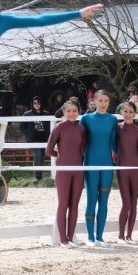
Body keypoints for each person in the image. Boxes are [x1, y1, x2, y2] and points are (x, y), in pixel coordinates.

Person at [80, 89, 118, 247]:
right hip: (91, 163)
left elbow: (115, 143)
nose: (103, 104)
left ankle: (100, 237)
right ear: (94, 101)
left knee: (104, 201)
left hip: (107, 165)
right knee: (91, 199)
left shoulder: (113, 120)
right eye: (100, 100)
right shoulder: (86, 118)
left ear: (109, 103)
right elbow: (80, 142)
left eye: (106, 101)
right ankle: (90, 237)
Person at [45, 101, 86, 248]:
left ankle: (70, 237)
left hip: (79, 170)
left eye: (75, 110)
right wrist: (61, 155)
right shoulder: (59, 127)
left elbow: (83, 149)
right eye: (68, 111)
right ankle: (63, 239)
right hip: (63, 170)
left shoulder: (81, 128)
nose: (72, 113)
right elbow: (48, 150)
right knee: (63, 204)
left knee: (74, 205)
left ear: (79, 111)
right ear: (63, 111)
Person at [116, 102, 138, 243]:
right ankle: (121, 235)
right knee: (126, 203)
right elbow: (111, 144)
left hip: (136, 169)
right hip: (122, 168)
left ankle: (129, 235)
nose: (127, 114)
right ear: (121, 112)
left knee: (134, 203)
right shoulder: (116, 128)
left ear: (135, 114)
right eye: (125, 111)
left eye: (130, 112)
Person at [20, 96, 51, 182]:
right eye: (35, 103)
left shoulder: (46, 114)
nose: (37, 105)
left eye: (38, 103)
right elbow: (22, 127)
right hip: (33, 139)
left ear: (41, 104)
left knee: (41, 157)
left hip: (44, 139)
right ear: (32, 104)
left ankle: (39, 176)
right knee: (37, 155)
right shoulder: (27, 114)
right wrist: (29, 134)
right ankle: (36, 176)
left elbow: (50, 126)